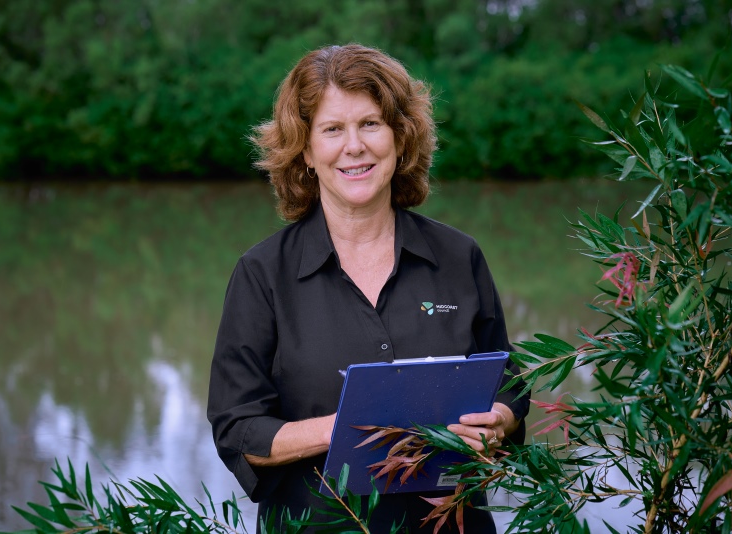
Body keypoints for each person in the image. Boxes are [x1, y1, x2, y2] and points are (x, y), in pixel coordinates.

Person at [207, 44, 530, 533]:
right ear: (306, 151)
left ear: (400, 139)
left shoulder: (460, 257)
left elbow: (507, 377)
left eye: (371, 124)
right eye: (332, 129)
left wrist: (501, 420)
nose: (354, 146)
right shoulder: (261, 274)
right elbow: (239, 431)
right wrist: (352, 425)